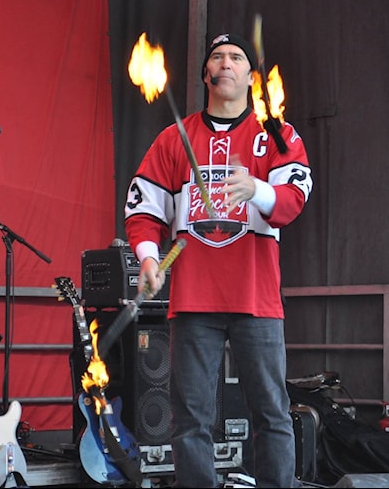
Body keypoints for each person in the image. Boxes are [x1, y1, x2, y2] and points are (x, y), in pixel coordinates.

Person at [124, 32, 313, 487]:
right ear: (205, 73)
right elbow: (143, 210)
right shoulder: (173, 139)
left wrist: (257, 189)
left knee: (271, 412)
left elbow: (293, 200)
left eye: (235, 57)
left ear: (251, 75)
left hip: (256, 299)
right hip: (193, 301)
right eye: (216, 57)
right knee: (189, 419)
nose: (225, 63)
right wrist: (149, 259)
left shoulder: (277, 136)